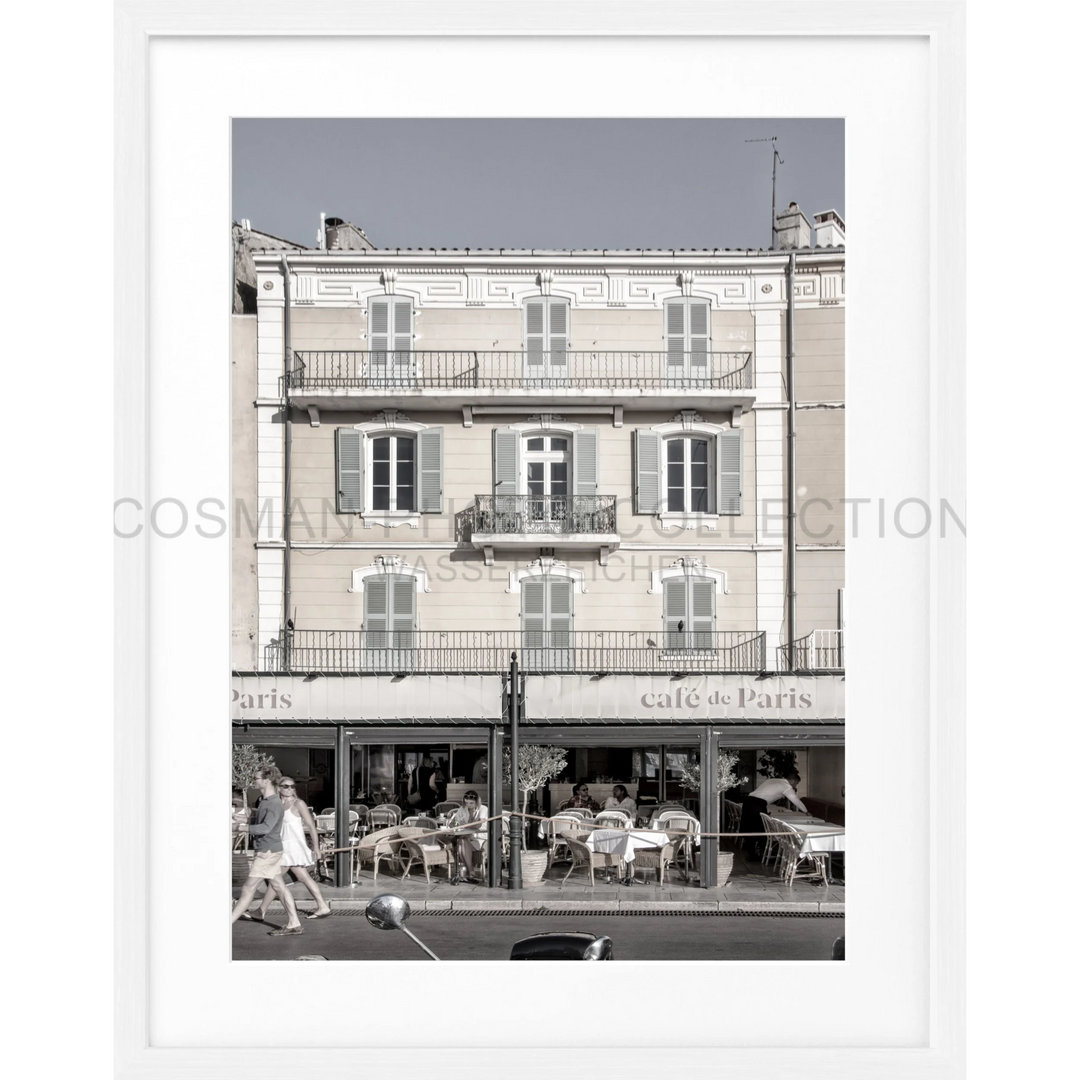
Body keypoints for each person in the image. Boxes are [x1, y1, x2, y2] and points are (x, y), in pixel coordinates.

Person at [230, 767, 304, 935]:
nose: (254, 780)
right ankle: (294, 923)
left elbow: (266, 827)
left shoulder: (272, 803)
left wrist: (241, 826)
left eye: (256, 778)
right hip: (271, 849)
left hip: (267, 851)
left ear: (267, 780)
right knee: (279, 886)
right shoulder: (267, 801)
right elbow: (264, 820)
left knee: (249, 888)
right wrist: (246, 819)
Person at [252, 776, 332, 921]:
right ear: (279, 788)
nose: (289, 789)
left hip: (293, 847)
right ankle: (323, 906)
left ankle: (261, 911)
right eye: (285, 786)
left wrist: (316, 848)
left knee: (275, 878)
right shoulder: (276, 804)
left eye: (292, 786)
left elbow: (311, 827)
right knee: (300, 877)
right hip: (281, 846)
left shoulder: (298, 803)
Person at [740, 772, 809, 861]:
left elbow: (763, 793)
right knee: (761, 830)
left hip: (748, 802)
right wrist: (806, 811)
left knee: (750, 829)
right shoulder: (786, 786)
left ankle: (752, 854)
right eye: (796, 783)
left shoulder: (772, 780)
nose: (795, 786)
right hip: (757, 804)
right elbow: (796, 801)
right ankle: (762, 855)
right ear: (791, 781)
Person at [449, 790, 488, 883]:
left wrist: (464, 825)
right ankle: (471, 871)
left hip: (480, 838)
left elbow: (479, 824)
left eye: (471, 803)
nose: (469, 805)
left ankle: (468, 870)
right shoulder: (463, 809)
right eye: (466, 803)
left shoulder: (483, 809)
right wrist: (456, 824)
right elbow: (453, 823)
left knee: (460, 844)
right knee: (461, 842)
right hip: (466, 836)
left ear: (477, 802)